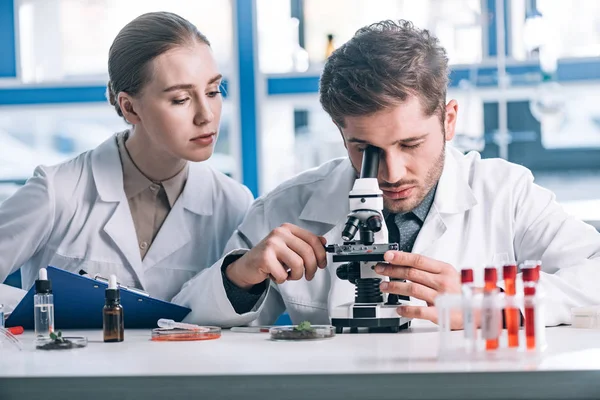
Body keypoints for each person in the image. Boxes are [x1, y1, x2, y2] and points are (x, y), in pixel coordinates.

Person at [176, 19, 600, 329]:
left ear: (449, 121)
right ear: (341, 135)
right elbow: (187, 324)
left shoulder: (506, 193)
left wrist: (491, 303)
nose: (391, 173)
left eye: (410, 144)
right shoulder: (288, 207)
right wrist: (238, 277)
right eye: (366, 149)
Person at [0, 12, 253, 312]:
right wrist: (39, 307)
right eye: (181, 99)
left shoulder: (233, 203)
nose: (207, 115)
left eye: (213, 92)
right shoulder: (56, 192)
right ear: (130, 108)